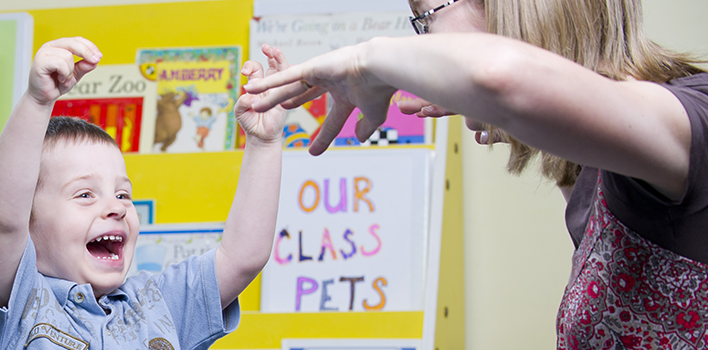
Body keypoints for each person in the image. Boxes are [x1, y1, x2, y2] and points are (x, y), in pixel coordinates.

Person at [243, 0, 708, 347]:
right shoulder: (609, 171)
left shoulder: (693, 114)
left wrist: (367, 59)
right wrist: (524, 127)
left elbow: (501, 78)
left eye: (427, 17)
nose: (426, 39)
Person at [0, 37, 287, 349]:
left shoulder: (159, 302)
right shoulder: (18, 301)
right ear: (26, 223)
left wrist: (265, 143)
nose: (116, 208)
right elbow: (3, 218)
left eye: (123, 195)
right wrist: (37, 102)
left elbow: (242, 258)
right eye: (85, 195)